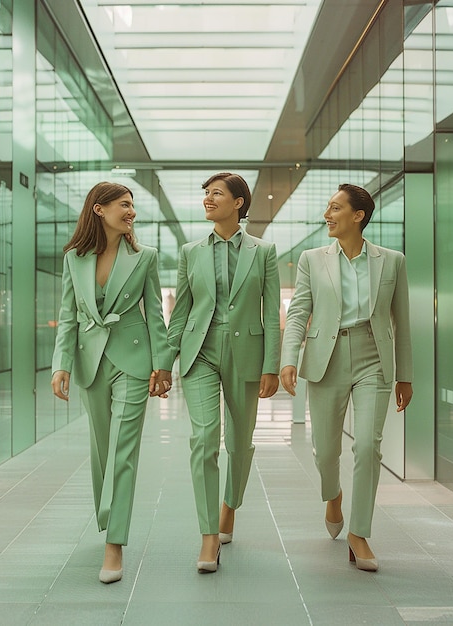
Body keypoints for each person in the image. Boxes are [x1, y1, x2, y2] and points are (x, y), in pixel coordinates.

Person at [280, 183, 413, 572]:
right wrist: (289, 358)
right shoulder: (311, 258)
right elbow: (299, 311)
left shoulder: (392, 261)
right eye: (328, 208)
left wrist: (405, 375)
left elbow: (400, 321)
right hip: (327, 356)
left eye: (335, 208)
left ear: (358, 216)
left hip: (374, 357)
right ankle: (333, 494)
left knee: (369, 447)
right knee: (325, 452)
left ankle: (359, 533)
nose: (328, 214)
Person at [51, 182, 171, 584]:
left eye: (133, 205)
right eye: (124, 204)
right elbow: (68, 316)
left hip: (133, 360)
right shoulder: (74, 259)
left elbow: (155, 314)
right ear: (99, 210)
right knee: (101, 448)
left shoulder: (145, 257)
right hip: (90, 361)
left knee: (122, 449)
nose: (131, 211)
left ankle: (114, 543)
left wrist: (162, 364)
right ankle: (108, 516)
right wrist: (60, 364)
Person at [163, 172, 281, 573]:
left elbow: (271, 313)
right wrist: (165, 361)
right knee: (204, 440)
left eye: (217, 194)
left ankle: (230, 504)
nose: (208, 200)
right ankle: (208, 536)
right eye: (206, 194)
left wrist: (271, 366)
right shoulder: (189, 251)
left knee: (240, 444)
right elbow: (180, 314)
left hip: (247, 354)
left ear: (239, 203)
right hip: (200, 354)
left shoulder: (264, 252)